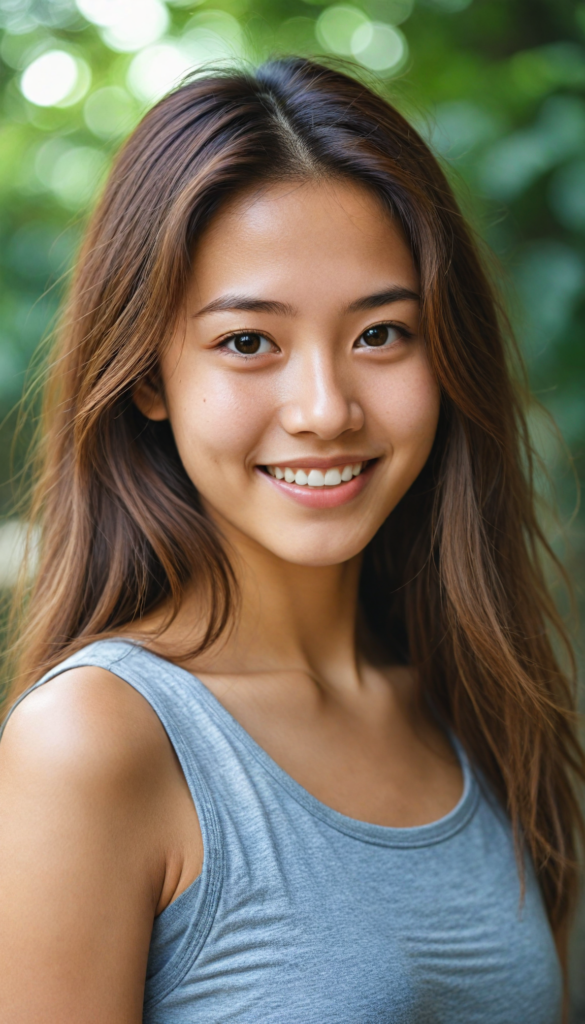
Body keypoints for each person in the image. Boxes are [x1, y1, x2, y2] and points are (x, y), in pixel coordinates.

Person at [0, 57, 582, 1024]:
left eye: (380, 334)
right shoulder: (97, 740)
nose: (324, 409)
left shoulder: (477, 701)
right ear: (148, 378)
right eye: (248, 343)